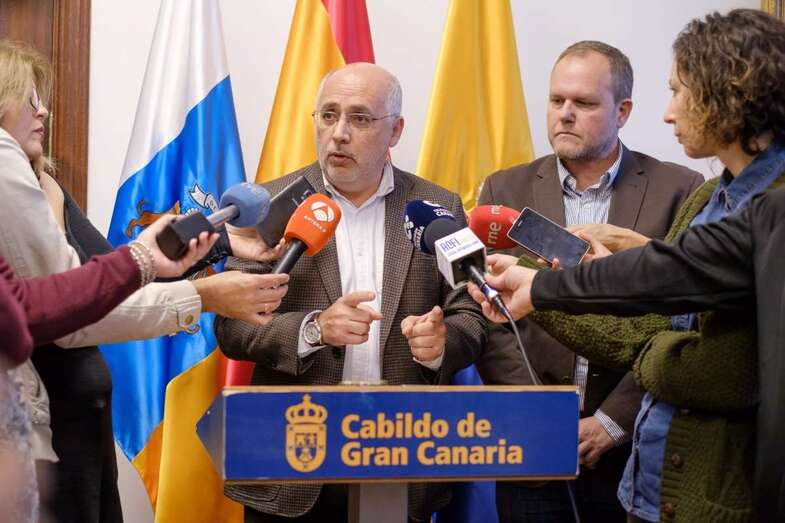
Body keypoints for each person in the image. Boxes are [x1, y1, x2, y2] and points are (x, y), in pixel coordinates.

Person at [471, 9, 785, 523]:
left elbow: (710, 353)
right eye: (556, 100)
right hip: (646, 487)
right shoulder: (711, 195)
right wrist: (537, 293)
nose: (669, 113)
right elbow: (656, 304)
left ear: (729, 92)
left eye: (679, 91)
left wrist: (649, 363)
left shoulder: (770, 203)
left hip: (712, 489)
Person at [0, 39, 289, 522]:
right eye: (29, 98)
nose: (43, 110)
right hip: (45, 433)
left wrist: (219, 243)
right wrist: (202, 296)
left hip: (81, 429)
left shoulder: (47, 187)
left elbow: (105, 277)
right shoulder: (6, 167)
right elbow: (59, 309)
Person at [215, 62, 488, 523]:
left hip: (399, 453)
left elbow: (472, 315)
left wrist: (443, 344)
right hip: (291, 459)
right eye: (328, 115)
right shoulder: (269, 205)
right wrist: (313, 329)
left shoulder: (437, 207)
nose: (338, 133)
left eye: (359, 118)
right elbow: (233, 328)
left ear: (395, 130)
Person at [473, 40, 703, 522]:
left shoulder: (680, 189)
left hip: (632, 448)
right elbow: (492, 314)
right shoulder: (504, 188)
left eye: (583, 102)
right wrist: (539, 412)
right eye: (557, 100)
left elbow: (680, 322)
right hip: (530, 446)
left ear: (623, 111)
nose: (565, 114)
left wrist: (611, 422)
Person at [469, 186, 785, 522]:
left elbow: (711, 360)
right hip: (636, 484)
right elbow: (642, 328)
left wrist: (616, 414)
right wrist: (535, 283)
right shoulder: (708, 196)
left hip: (692, 478)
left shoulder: (704, 191)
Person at [0, 214, 217, 523]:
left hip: (77, 427)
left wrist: (141, 260)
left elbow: (32, 300)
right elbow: (20, 316)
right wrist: (200, 294)